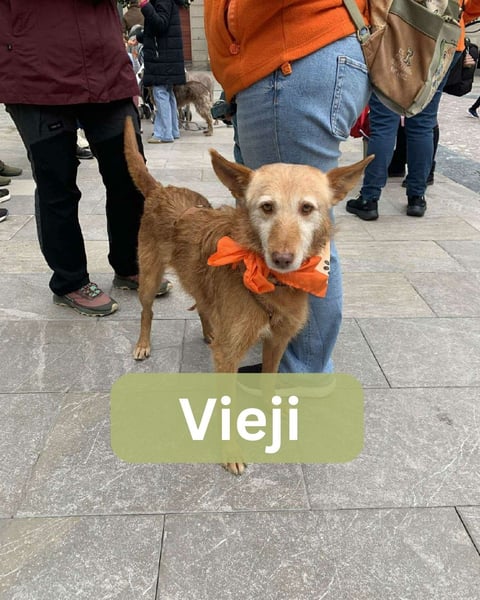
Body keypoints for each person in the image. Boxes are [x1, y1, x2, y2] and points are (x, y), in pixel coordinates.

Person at [204, 1, 371, 374]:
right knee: (293, 223)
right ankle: (296, 362)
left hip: (289, 58)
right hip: (279, 61)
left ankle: (302, 376)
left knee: (304, 243)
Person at [0, 1, 171, 317]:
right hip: (34, 66)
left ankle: (129, 264)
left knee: (130, 173)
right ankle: (70, 281)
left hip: (104, 62)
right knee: (57, 185)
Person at [138, 0, 186, 144]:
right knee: (168, 93)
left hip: (162, 58)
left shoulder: (162, 0)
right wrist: (140, 37)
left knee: (160, 93)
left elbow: (160, 24)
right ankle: (173, 130)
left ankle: (163, 133)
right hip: (166, 56)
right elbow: (158, 30)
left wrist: (145, 6)